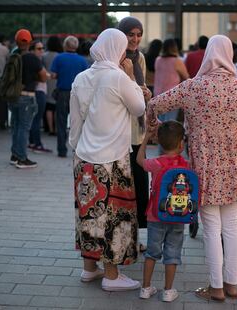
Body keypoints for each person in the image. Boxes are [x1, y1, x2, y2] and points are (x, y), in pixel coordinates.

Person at [147, 35, 237, 301]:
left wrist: (153, 130)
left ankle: (216, 288)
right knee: (231, 227)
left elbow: (155, 104)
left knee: (211, 228)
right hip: (235, 165)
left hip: (205, 166)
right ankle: (232, 285)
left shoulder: (192, 87)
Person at [69, 28, 146, 291]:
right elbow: (139, 108)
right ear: (117, 49)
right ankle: (112, 277)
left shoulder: (81, 78)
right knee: (114, 217)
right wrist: (130, 76)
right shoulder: (117, 77)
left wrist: (76, 153)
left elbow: (75, 123)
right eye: (123, 47)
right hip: (113, 160)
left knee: (89, 214)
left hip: (84, 158)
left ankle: (89, 269)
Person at [136, 120, 187, 302]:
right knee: (172, 253)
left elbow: (139, 160)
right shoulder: (186, 165)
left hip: (155, 216)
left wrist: (145, 139)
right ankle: (168, 291)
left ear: (158, 142)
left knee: (152, 253)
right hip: (178, 216)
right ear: (181, 144)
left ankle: (145, 288)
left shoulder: (156, 163)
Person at [117, 16, 153, 247]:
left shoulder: (139, 57)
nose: (136, 39)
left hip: (138, 130)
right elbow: (122, 91)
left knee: (139, 186)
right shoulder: (114, 58)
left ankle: (136, 236)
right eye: (131, 34)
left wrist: (146, 92)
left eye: (138, 34)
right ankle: (124, 238)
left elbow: (142, 88)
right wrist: (132, 82)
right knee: (123, 186)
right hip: (120, 133)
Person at [9, 29, 47, 169]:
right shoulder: (31, 58)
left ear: (16, 41)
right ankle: (22, 158)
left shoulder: (13, 55)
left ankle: (14, 155)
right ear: (30, 41)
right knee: (24, 128)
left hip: (13, 96)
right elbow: (43, 77)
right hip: (27, 96)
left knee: (16, 126)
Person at [50, 35, 88, 158]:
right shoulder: (83, 61)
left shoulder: (58, 58)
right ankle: (78, 149)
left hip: (62, 92)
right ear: (76, 46)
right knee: (77, 121)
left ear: (65, 45)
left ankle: (62, 150)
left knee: (61, 121)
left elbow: (54, 75)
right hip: (78, 93)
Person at [154, 38, 189, 122]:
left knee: (160, 123)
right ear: (175, 48)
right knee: (170, 123)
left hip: (158, 95)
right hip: (171, 96)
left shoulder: (158, 60)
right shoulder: (177, 61)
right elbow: (186, 77)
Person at [28, 40, 52, 153]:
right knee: (37, 119)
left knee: (34, 118)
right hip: (39, 91)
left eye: (42, 48)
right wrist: (48, 75)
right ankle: (37, 144)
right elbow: (43, 76)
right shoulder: (36, 61)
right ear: (32, 50)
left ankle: (33, 142)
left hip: (36, 91)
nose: (42, 50)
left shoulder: (35, 60)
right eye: (39, 48)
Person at [43, 36, 62, 136]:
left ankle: (50, 129)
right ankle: (56, 128)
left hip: (47, 82)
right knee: (56, 107)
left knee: (49, 107)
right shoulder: (60, 56)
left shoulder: (44, 56)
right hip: (57, 82)